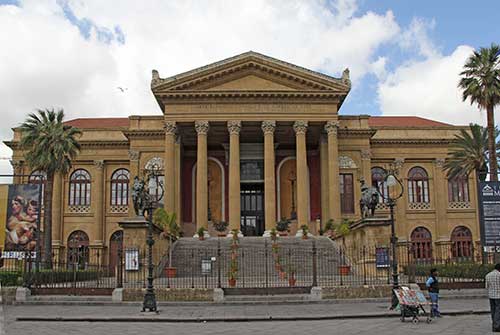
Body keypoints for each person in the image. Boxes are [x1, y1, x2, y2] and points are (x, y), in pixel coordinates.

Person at [486, 264, 500, 332]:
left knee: (493, 310)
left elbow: (486, 287)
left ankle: (494, 325)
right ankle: (497, 326)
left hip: (491, 295)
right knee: (498, 311)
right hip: (499, 296)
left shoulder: (488, 275)